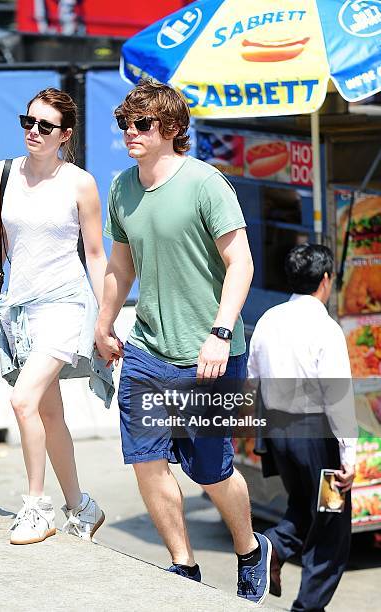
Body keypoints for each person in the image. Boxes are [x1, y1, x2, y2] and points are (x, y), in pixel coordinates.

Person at [94, 80, 271, 604]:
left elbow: (242, 262)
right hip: (148, 348)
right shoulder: (122, 186)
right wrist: (104, 324)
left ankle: (249, 550)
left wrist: (220, 333)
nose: (131, 131)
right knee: (147, 459)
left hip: (211, 352)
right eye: (126, 122)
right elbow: (121, 266)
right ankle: (183, 566)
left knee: (211, 472)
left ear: (172, 131)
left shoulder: (206, 183)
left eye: (142, 124)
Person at [0, 88, 108, 545]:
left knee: (23, 400)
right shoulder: (2, 173)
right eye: (28, 121)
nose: (33, 132)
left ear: (65, 135)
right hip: (20, 309)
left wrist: (106, 318)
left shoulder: (80, 182)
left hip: (65, 304)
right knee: (48, 413)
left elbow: (96, 253)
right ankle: (82, 505)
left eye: (45, 126)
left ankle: (36, 506)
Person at [247, 244, 358, 611]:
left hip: (279, 435)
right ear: (326, 280)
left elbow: (252, 379)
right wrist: (349, 457)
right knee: (332, 525)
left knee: (301, 505)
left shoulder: (268, 319)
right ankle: (307, 608)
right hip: (318, 441)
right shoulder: (325, 328)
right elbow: (337, 399)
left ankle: (272, 549)